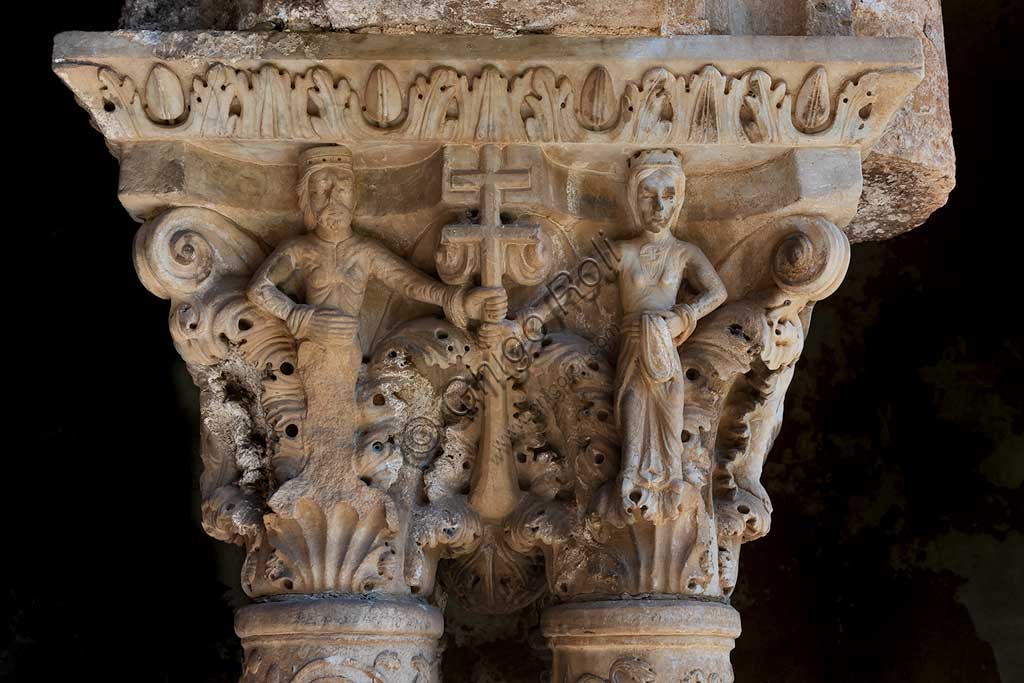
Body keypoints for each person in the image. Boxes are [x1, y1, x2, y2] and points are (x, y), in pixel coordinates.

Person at [247, 145, 506, 510]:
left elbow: (408, 283)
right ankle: (322, 481)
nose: (334, 198)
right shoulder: (300, 250)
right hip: (313, 348)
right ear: (306, 199)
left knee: (339, 409)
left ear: (355, 197)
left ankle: (339, 483)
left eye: (342, 188)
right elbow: (259, 290)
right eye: (322, 189)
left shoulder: (363, 251)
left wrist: (458, 300)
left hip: (348, 350)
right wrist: (302, 318)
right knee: (321, 409)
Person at [612, 149, 727, 523]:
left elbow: (717, 292)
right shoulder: (622, 251)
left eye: (667, 195)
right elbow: (574, 284)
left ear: (678, 201)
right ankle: (630, 471)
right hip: (633, 339)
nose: (658, 205)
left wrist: (685, 315)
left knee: (669, 400)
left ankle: (672, 476)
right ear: (633, 199)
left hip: (665, 338)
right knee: (632, 399)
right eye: (648, 195)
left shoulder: (683, 252)